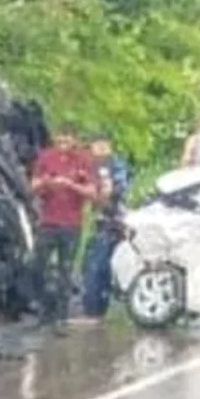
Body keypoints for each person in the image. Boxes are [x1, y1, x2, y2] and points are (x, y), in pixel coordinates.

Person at [31, 125, 96, 330]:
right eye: (60, 141)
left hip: (71, 224)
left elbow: (92, 192)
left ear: (74, 141)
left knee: (65, 271)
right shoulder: (46, 158)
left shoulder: (83, 162)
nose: (63, 145)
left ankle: (61, 317)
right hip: (48, 222)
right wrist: (48, 183)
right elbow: (32, 186)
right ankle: (44, 311)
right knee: (38, 267)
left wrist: (71, 185)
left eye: (67, 141)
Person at [77, 133, 130, 324]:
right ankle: (97, 310)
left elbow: (113, 192)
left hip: (111, 220)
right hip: (102, 220)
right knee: (98, 265)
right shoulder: (93, 165)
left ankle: (93, 312)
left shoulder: (112, 165)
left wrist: (99, 196)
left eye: (102, 145)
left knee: (95, 265)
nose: (98, 149)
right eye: (95, 146)